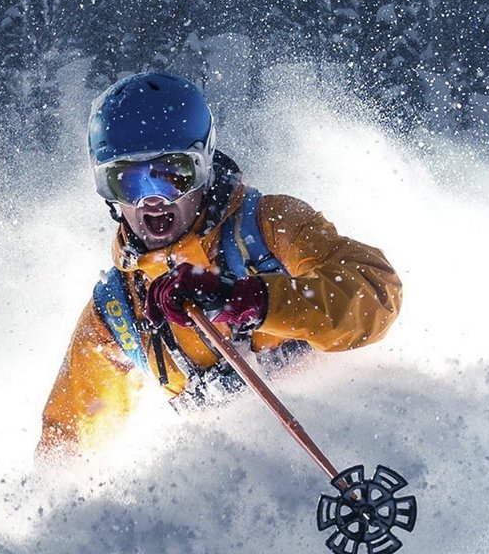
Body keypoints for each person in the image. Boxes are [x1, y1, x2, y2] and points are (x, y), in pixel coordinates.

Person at [37, 71, 402, 458]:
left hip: (353, 454)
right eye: (127, 181)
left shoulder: (268, 229)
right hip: (253, 488)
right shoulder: (118, 310)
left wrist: (249, 299)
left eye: (172, 174)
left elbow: (377, 293)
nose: (151, 201)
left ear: (205, 165)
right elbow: (66, 443)